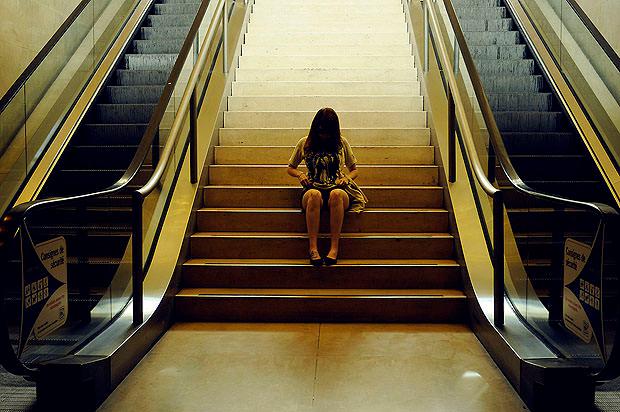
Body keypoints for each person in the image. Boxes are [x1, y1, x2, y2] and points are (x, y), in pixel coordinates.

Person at [287, 108, 367, 267]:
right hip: (311, 189)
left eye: (327, 132)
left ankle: (334, 248)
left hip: (337, 189)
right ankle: (313, 248)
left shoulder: (341, 143)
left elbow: (355, 170)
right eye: (321, 131)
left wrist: (346, 178)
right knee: (314, 195)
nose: (324, 135)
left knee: (337, 194)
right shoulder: (305, 143)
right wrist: (300, 175)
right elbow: (290, 168)